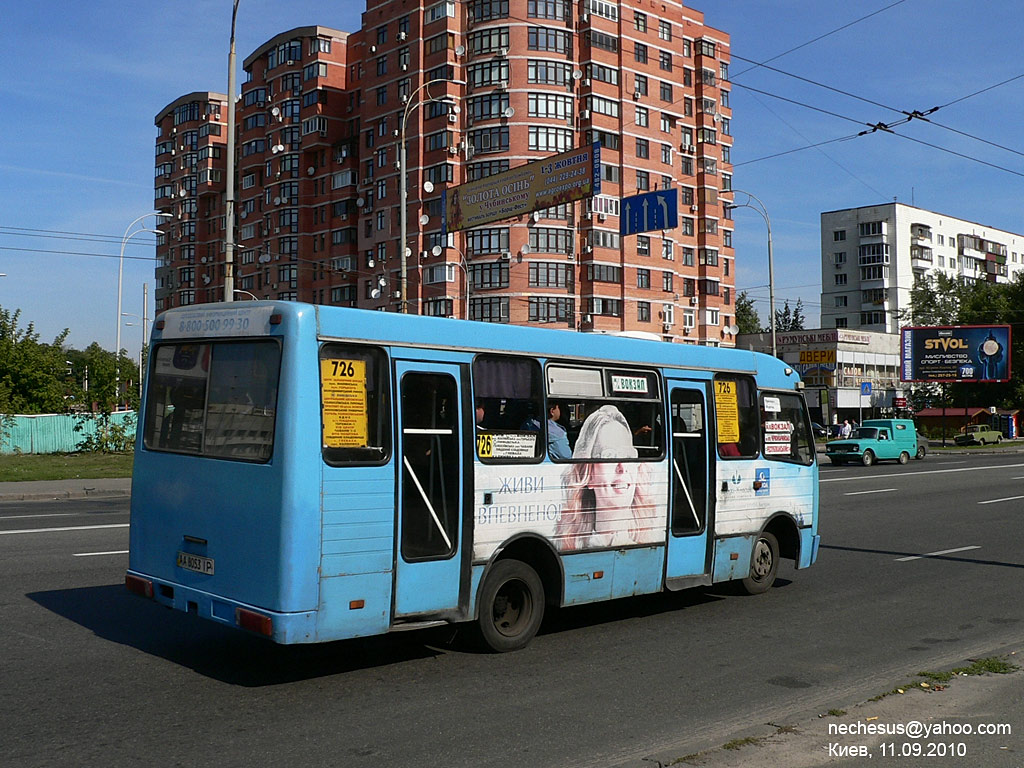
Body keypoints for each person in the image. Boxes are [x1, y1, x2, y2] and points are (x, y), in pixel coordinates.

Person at [555, 404, 658, 551]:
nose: (622, 467)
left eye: (628, 455)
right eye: (609, 455)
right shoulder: (569, 545)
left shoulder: (653, 538)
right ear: (588, 474)